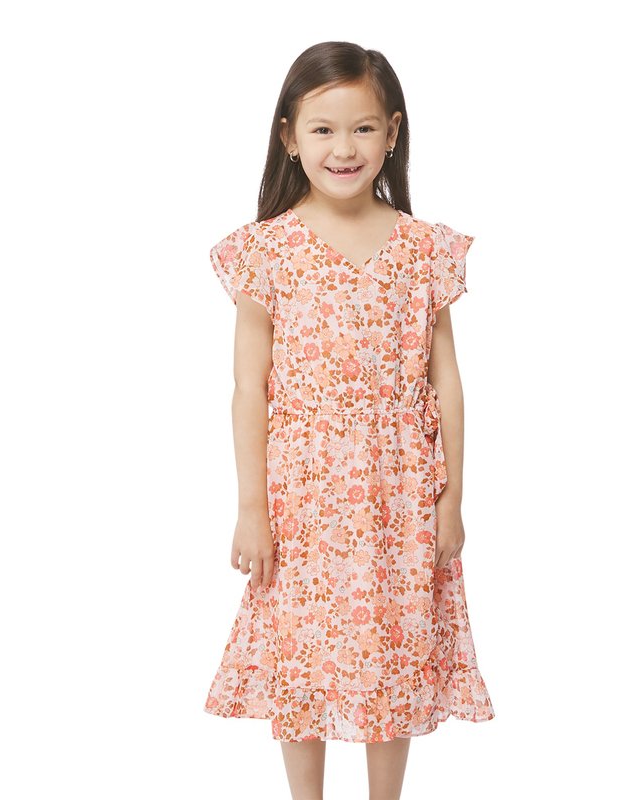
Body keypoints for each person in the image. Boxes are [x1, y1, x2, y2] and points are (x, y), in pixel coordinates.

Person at [203, 41, 495, 800]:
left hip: (401, 491)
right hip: (303, 494)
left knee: (393, 645)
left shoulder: (423, 250)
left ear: (392, 133)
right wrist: (251, 508)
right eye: (323, 129)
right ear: (289, 136)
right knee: (302, 647)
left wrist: (452, 500)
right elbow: (247, 388)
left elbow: (447, 382)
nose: (344, 148)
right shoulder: (266, 252)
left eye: (363, 128)